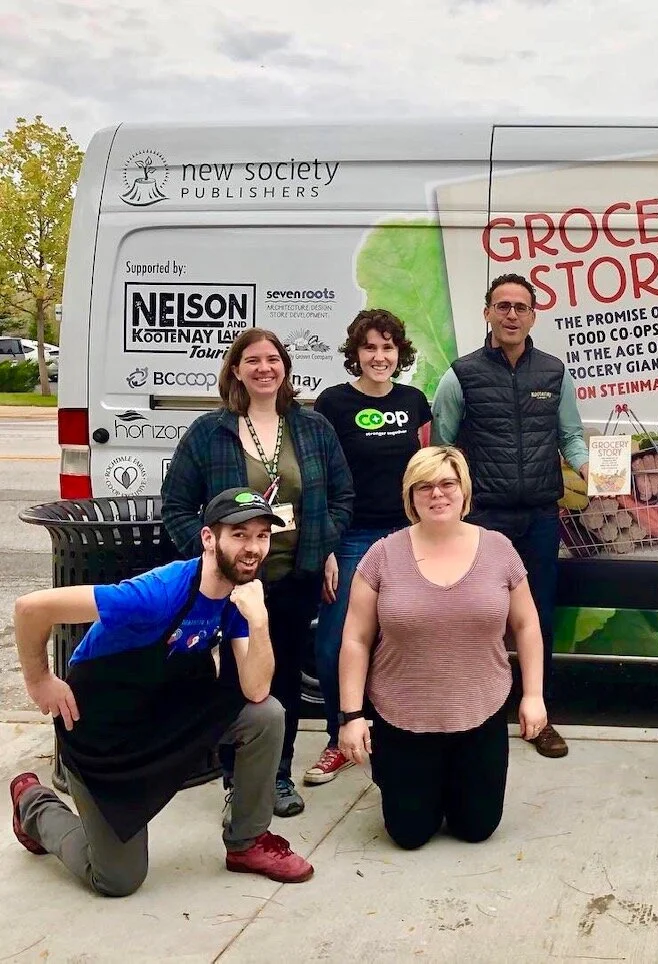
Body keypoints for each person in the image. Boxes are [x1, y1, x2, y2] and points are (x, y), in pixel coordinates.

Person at [9, 489, 315, 895]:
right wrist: (40, 680)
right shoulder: (155, 594)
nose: (253, 548)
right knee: (117, 879)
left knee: (266, 716)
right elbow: (31, 609)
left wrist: (258, 623)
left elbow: (256, 690)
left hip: (165, 711)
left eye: (262, 536)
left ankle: (247, 841)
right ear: (209, 538)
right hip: (105, 732)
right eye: (240, 535)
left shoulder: (241, 597)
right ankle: (33, 803)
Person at [162, 329, 354, 817]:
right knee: (235, 682)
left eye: (273, 359)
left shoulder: (312, 429)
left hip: (294, 577)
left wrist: (324, 541)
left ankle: (279, 774)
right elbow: (178, 505)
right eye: (253, 360)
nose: (264, 368)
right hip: (235, 586)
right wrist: (212, 559)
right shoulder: (211, 432)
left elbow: (342, 496)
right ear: (236, 370)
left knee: (283, 680)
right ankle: (236, 778)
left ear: (285, 368)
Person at [335, 447, 547, 849]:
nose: (437, 494)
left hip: (479, 714)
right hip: (403, 720)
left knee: (477, 829)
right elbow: (355, 639)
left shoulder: (499, 549)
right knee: (409, 835)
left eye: (447, 484)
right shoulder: (381, 555)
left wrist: (533, 695)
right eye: (424, 486)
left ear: (464, 492)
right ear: (410, 497)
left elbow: (527, 624)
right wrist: (352, 716)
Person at [431, 272, 588, 759]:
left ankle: (537, 715)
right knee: (475, 616)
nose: (512, 315)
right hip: (483, 520)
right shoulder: (461, 374)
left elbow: (573, 438)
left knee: (536, 617)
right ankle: (471, 714)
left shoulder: (554, 373)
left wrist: (597, 473)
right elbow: (442, 449)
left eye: (521, 307)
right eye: (503, 306)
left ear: (534, 315)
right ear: (487, 313)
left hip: (540, 516)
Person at [306, 309, 431, 787]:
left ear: (400, 353)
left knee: (408, 634)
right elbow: (318, 479)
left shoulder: (415, 401)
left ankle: (400, 730)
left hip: (406, 534)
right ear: (355, 354)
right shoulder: (333, 405)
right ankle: (340, 736)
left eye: (388, 347)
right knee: (336, 638)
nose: (379, 357)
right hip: (352, 537)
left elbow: (427, 472)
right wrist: (326, 547)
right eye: (369, 348)